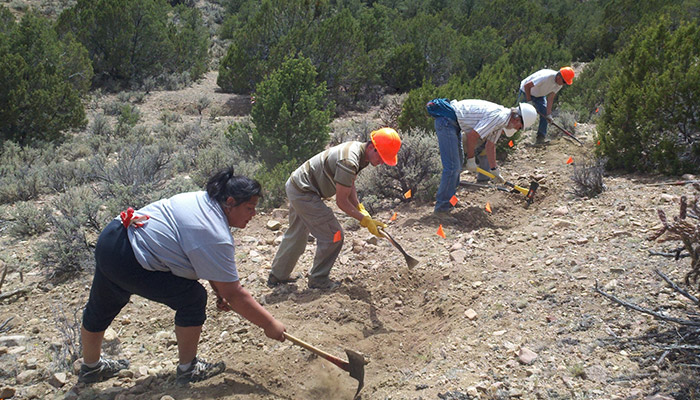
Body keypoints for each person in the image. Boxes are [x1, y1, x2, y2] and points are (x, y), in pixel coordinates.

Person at [78, 167, 286, 385]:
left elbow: (207, 263)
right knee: (192, 298)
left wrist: (219, 290)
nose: (254, 214)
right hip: (130, 256)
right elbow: (235, 294)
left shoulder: (203, 201)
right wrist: (270, 324)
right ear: (231, 202)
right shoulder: (214, 233)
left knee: (101, 306)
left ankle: (91, 368)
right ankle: (188, 368)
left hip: (113, 238)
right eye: (250, 208)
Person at [267, 128, 402, 290]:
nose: (382, 162)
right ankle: (318, 279)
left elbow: (349, 183)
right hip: (304, 191)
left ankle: (277, 276)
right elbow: (341, 202)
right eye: (382, 156)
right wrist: (364, 220)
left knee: (297, 234)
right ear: (372, 147)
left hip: (297, 185)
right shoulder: (349, 160)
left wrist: (360, 208)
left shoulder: (360, 152)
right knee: (334, 234)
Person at [433, 99, 536, 216]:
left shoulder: (502, 121)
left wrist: (494, 170)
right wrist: (471, 159)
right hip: (447, 120)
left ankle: (450, 201)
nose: (517, 130)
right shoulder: (499, 117)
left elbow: (490, 145)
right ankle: (441, 209)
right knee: (453, 167)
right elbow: (472, 136)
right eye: (520, 127)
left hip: (453, 123)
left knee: (458, 163)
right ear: (517, 119)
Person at [518, 66, 575, 145]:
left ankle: (540, 138)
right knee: (520, 114)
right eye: (564, 82)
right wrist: (529, 101)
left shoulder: (559, 84)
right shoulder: (546, 77)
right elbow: (527, 86)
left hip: (540, 95)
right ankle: (514, 137)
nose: (564, 84)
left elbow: (550, 98)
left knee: (544, 114)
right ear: (559, 77)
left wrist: (548, 114)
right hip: (526, 92)